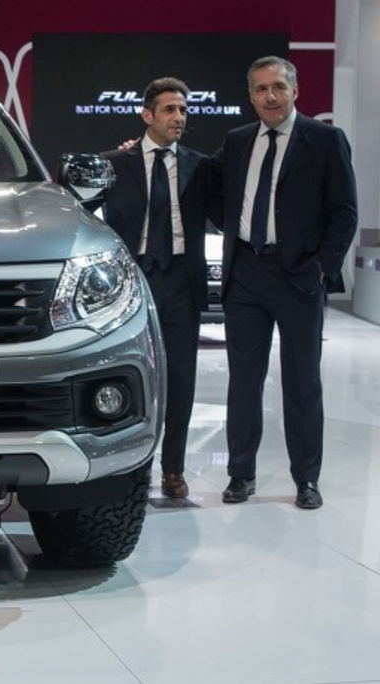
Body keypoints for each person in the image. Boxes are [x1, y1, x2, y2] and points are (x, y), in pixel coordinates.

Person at [213, 56, 358, 509]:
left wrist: (322, 267)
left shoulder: (326, 139)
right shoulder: (237, 141)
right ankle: (241, 474)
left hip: (299, 277)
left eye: (278, 87)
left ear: (295, 91)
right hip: (245, 275)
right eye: (261, 89)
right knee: (243, 382)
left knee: (301, 382)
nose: (270, 96)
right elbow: (211, 190)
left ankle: (306, 479)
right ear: (250, 96)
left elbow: (344, 212)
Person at [98, 77, 210, 499]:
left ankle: (174, 469)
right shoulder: (115, 163)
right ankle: (130, 467)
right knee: (129, 377)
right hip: (133, 280)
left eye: (183, 110)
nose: (179, 117)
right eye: (169, 110)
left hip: (182, 280)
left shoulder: (201, 165)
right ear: (147, 115)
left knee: (181, 380)